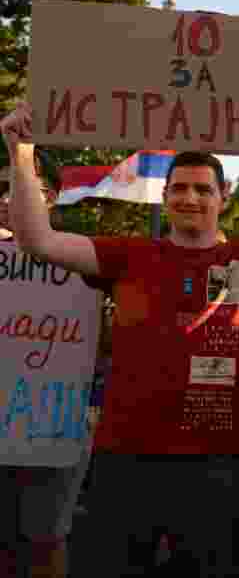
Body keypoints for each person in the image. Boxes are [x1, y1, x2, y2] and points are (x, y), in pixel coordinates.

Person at [1, 102, 239, 577]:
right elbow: (38, 241)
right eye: (180, 188)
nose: (191, 198)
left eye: (203, 189)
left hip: (215, 462)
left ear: (222, 197)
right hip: (126, 459)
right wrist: (21, 152)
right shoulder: (126, 256)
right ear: (165, 196)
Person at [0, 151, 101, 578]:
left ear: (53, 198)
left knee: (46, 542)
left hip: (52, 429)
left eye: (21, 186)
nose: (8, 197)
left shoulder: (87, 259)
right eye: (1, 187)